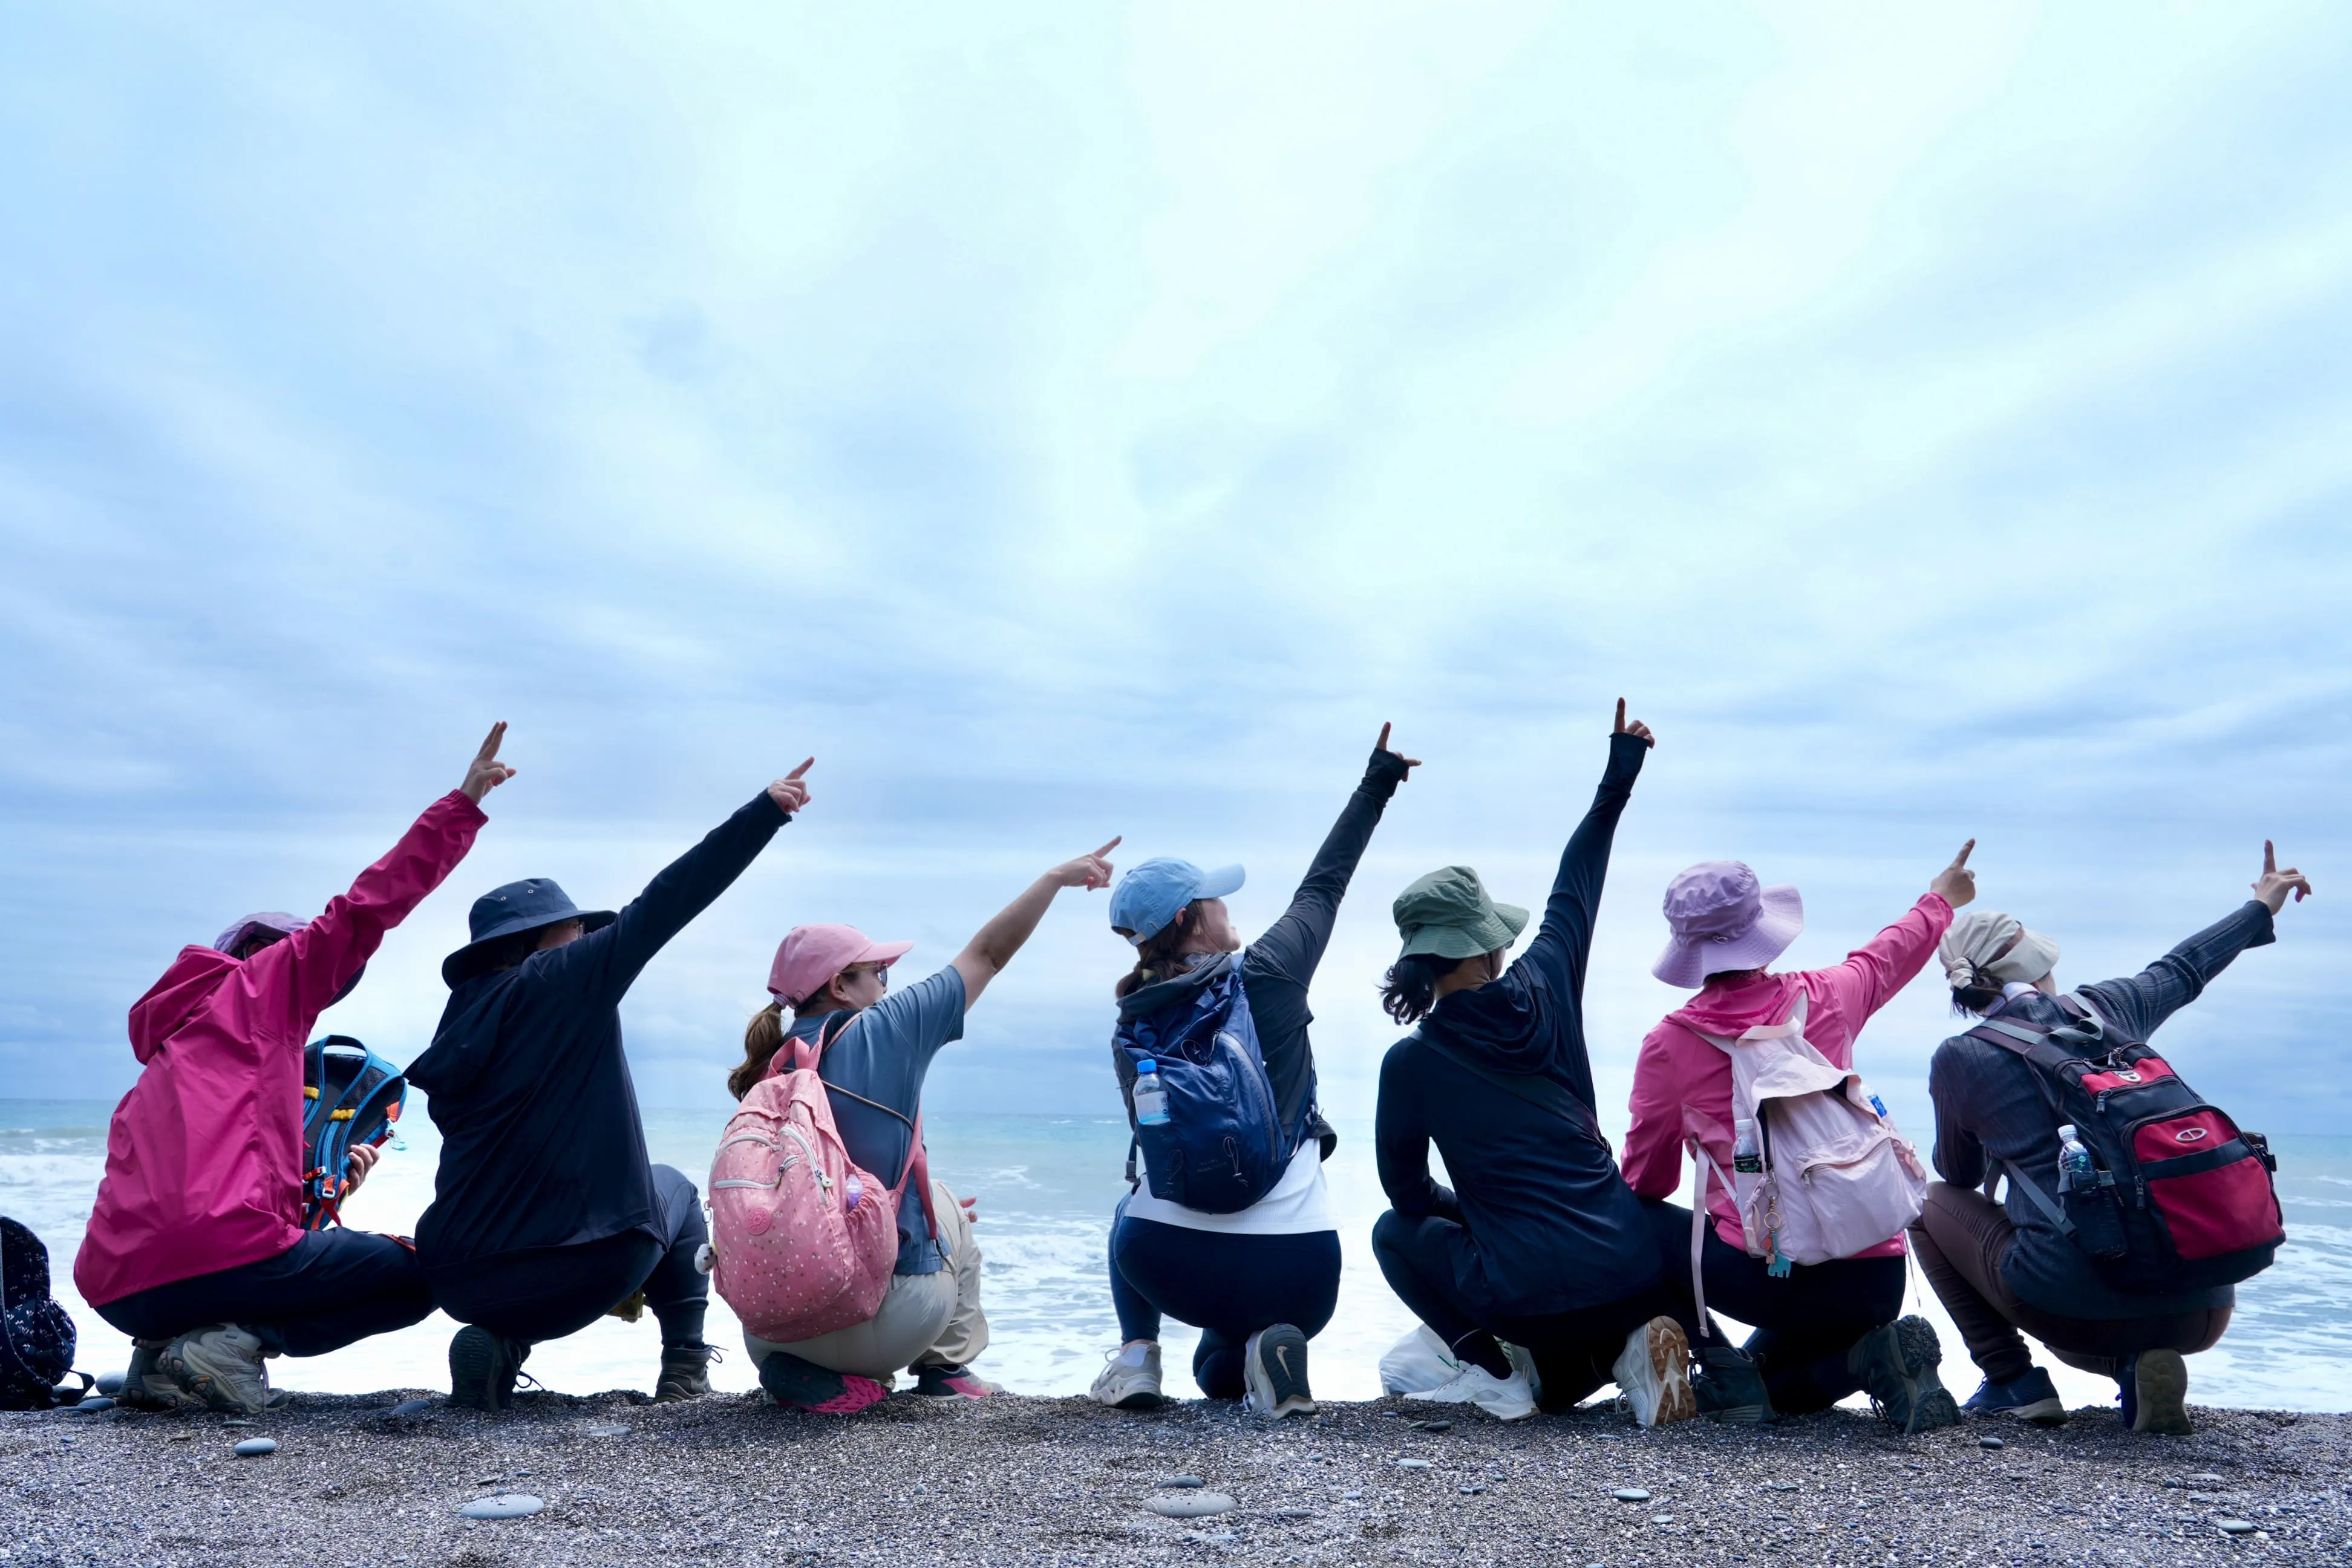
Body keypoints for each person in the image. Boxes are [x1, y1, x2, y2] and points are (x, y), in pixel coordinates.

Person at [76, 724, 514, 1413]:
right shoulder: (261, 990)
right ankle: (228, 1348)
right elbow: (365, 909)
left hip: (117, 1290)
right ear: (272, 955)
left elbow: (211, 1198)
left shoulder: (165, 1053)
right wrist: (460, 805)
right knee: (425, 1275)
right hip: (215, 1262)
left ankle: (164, 1358)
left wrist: (327, 1196)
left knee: (273, 1260)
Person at [409, 759, 814, 1410]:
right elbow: (669, 900)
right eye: (576, 931)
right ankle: (684, 1368)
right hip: (588, 1269)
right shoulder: (561, 978)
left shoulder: (457, 1025)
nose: (587, 939)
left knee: (531, 1224)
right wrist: (764, 812)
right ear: (540, 942)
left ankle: (501, 1348)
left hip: (459, 1278)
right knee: (676, 1190)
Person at [1915, 843, 2311, 1437]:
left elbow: (1960, 1175)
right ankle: (2137, 1371)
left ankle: (2013, 1381)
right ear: (2036, 962)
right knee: (2101, 1289)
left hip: (2075, 1310)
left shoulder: (1963, 1056)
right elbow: (2184, 969)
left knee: (1926, 1206)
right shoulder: (2108, 1008)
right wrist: (2261, 906)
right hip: (2205, 1307)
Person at [1372, 702, 1688, 1425]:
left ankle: (1494, 1373)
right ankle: (1637, 1351)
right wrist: (1619, 775)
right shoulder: (1548, 977)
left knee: (1391, 1237)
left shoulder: (1410, 1064)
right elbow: (1577, 880)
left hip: (1524, 1297)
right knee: (1603, 1264)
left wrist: (1477, 1219)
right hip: (1630, 1269)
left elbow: (1408, 1197)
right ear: (1486, 945)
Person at [726, 837, 1120, 1414]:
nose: (887, 983)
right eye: (879, 971)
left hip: (770, 1328)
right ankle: (946, 1370)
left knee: (919, 1197)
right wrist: (1055, 879)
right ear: (841, 986)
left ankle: (801, 1371)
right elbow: (987, 955)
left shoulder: (768, 1069)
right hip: (883, 1323)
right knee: (943, 1205)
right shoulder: (884, 1030)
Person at [1093, 726, 1417, 1419]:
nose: (1224, 903)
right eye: (1213, 897)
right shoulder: (1269, 973)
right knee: (1255, 1331)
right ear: (1192, 918)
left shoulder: (1133, 1022)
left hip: (1166, 1260)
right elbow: (1325, 886)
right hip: (1301, 1268)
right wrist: (1378, 780)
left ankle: (1138, 1357)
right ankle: (1274, 1342)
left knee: (1209, 1357)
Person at [1622, 840, 1978, 1433]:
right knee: (1766, 1386)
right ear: (1760, 930)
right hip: (1875, 1276)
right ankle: (1876, 1357)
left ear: (1690, 949)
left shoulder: (1670, 1045)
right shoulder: (1829, 995)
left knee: (1628, 1215)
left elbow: (1646, 1181)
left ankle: (1723, 1365)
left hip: (1773, 1276)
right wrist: (1942, 898)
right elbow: (1891, 954)